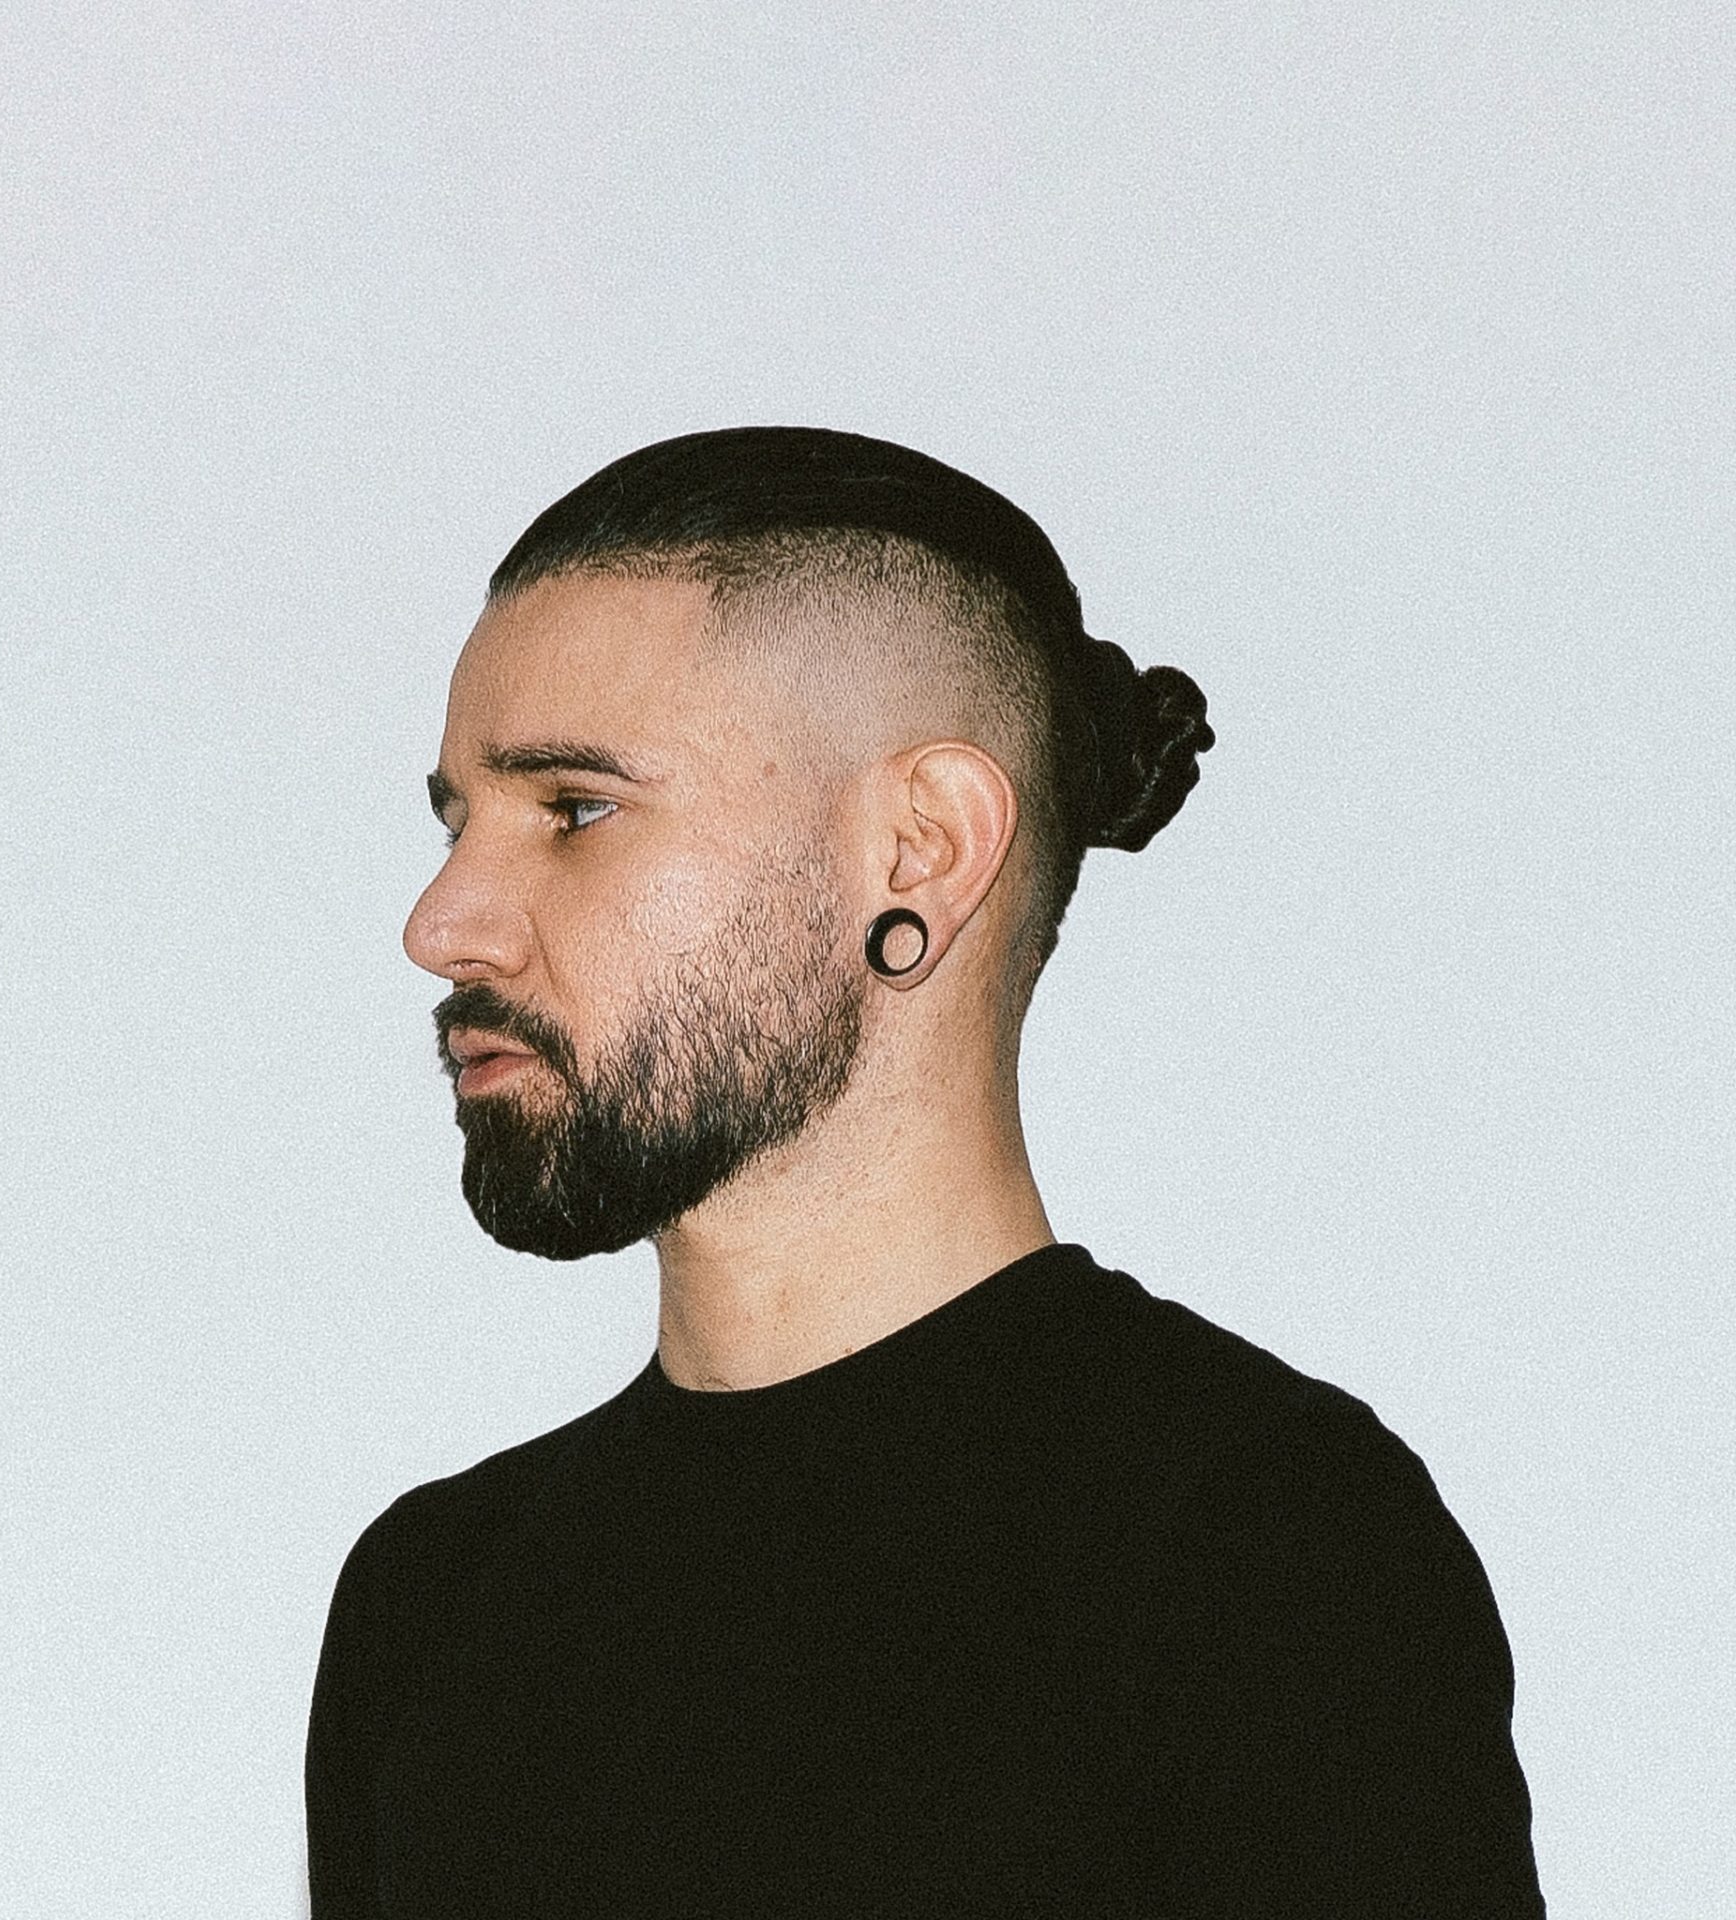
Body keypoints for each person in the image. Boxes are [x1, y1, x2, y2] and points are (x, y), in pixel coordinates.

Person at [306, 427, 1545, 1915]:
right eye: (457, 821)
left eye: (574, 809)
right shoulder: (433, 1603)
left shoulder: (1258, 1546)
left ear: (922, 850)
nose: (442, 924)